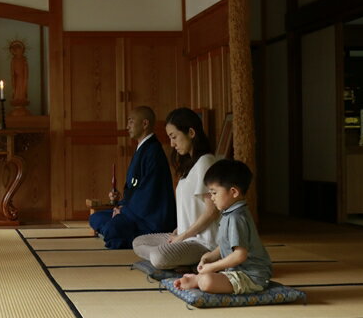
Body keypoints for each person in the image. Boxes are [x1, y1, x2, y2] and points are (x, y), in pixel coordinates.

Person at [132, 107, 219, 268]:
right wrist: (178, 230)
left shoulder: (205, 162)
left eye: (174, 137)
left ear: (191, 133)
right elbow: (192, 209)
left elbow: (212, 212)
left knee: (159, 257)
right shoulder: (189, 166)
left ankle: (200, 260)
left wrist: (183, 236)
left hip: (203, 243)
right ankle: (181, 260)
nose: (172, 144)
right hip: (186, 236)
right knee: (139, 241)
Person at [175, 159, 271, 294]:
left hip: (252, 276)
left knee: (207, 281)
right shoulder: (229, 213)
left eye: (214, 193)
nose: (211, 197)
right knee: (209, 276)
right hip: (236, 272)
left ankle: (197, 280)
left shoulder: (236, 217)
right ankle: (198, 279)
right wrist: (210, 257)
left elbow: (239, 255)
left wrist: (212, 267)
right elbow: (227, 245)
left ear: (234, 192)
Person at [89, 106, 176, 249]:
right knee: (95, 217)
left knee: (112, 228)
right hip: (134, 211)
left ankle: (139, 238)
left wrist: (123, 210)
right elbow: (134, 188)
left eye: (131, 121)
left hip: (150, 219)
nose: (127, 126)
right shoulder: (142, 149)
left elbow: (149, 192)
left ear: (145, 124)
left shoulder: (153, 152)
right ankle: (124, 233)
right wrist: (119, 203)